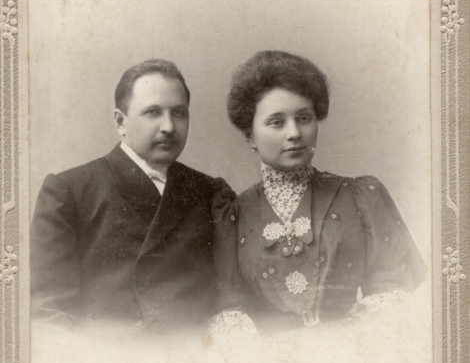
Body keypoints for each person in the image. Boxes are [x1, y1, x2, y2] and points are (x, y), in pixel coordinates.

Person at [213, 50, 427, 332]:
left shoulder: (361, 197)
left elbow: (391, 291)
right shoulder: (233, 217)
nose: (294, 133)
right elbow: (231, 310)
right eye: (277, 122)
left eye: (304, 118)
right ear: (250, 136)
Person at [31, 58, 231, 331]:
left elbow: (230, 296)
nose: (169, 127)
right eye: (152, 112)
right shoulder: (69, 192)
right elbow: (48, 312)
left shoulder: (210, 192)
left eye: (179, 113)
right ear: (120, 122)